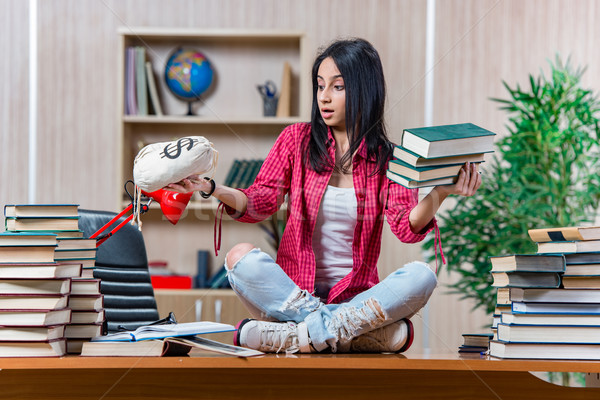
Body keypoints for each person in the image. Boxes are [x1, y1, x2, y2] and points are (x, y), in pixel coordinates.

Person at [167, 38, 481, 354]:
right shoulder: (295, 140)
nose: (324, 97)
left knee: (421, 275)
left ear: (363, 90)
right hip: (294, 294)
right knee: (239, 257)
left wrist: (439, 193)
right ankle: (350, 334)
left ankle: (294, 336)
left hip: (356, 298)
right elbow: (261, 200)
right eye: (320, 86)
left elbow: (405, 226)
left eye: (337, 87)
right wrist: (211, 188)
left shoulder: (390, 158)